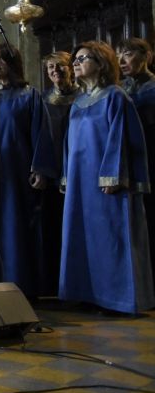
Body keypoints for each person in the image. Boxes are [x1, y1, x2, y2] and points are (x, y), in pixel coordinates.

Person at [61, 40, 152, 314]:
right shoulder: (78, 102)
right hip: (81, 182)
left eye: (83, 58)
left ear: (101, 64)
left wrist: (112, 176)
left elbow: (121, 139)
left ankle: (115, 297)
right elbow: (69, 143)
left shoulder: (115, 97)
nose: (76, 63)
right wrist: (67, 176)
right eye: (75, 59)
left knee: (111, 237)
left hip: (106, 183)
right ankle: (86, 292)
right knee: (83, 235)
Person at [0, 43, 56, 296]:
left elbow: (41, 133)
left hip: (18, 173)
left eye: (1, 59)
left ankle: (21, 283)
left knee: (17, 226)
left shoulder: (29, 95)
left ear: (13, 63)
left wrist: (40, 169)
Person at [41, 51, 80, 294]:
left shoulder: (83, 97)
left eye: (60, 66)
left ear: (71, 68)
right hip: (52, 169)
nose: (55, 71)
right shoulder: (43, 99)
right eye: (50, 68)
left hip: (77, 169)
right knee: (53, 227)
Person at [117, 38, 155, 286]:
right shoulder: (119, 89)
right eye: (118, 55)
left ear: (147, 57)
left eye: (128, 54)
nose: (121, 61)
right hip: (127, 166)